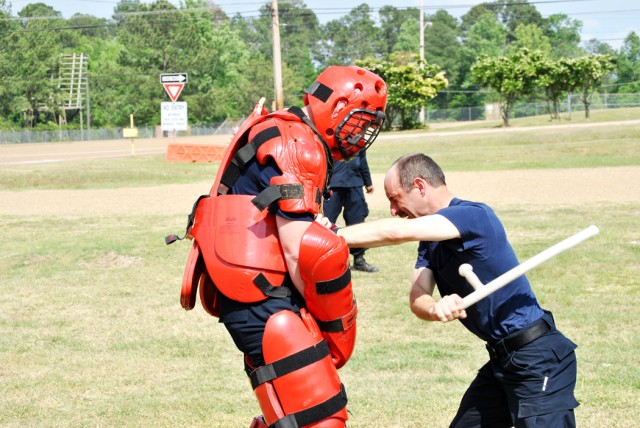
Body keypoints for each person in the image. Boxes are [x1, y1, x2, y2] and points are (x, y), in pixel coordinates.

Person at [175, 66, 387, 427]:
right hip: (260, 296)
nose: (361, 134)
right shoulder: (299, 145)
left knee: (290, 415)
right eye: (359, 121)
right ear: (336, 108)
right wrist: (329, 319)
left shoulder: (289, 129)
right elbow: (301, 248)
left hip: (254, 291)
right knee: (321, 417)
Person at [332, 153, 579, 427]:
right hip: (502, 360)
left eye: (395, 198)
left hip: (538, 357)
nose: (393, 209)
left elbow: (396, 232)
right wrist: (435, 308)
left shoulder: (474, 215)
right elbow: (418, 297)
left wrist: (330, 234)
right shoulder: (430, 241)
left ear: (420, 186)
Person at [323, 150, 379, 272]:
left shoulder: (359, 140)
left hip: (355, 183)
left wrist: (367, 181)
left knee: (357, 221)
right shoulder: (330, 137)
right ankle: (324, 260)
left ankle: (359, 260)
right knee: (326, 222)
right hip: (333, 184)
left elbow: (363, 161)